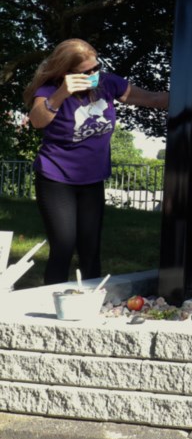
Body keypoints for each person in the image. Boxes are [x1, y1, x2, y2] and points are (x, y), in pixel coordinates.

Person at [22, 38, 169, 284]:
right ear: (66, 73)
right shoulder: (50, 91)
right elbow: (38, 120)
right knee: (64, 246)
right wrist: (62, 94)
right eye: (86, 72)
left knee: (91, 249)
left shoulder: (108, 83)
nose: (94, 74)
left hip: (92, 179)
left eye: (96, 68)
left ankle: (92, 302)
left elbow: (153, 99)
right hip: (56, 178)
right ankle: (49, 304)